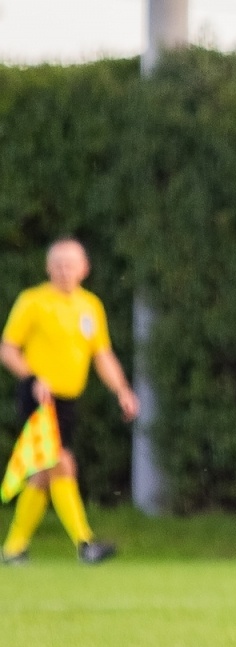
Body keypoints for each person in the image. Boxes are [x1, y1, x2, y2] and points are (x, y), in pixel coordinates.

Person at [0, 238, 137, 564]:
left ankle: (13, 549)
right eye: (58, 264)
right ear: (48, 268)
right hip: (38, 396)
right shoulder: (32, 301)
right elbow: (7, 349)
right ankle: (85, 544)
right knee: (61, 461)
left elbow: (102, 355)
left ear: (84, 269)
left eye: (71, 264)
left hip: (68, 400)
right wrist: (33, 378)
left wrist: (122, 391)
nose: (64, 270)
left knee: (43, 474)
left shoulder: (90, 306)